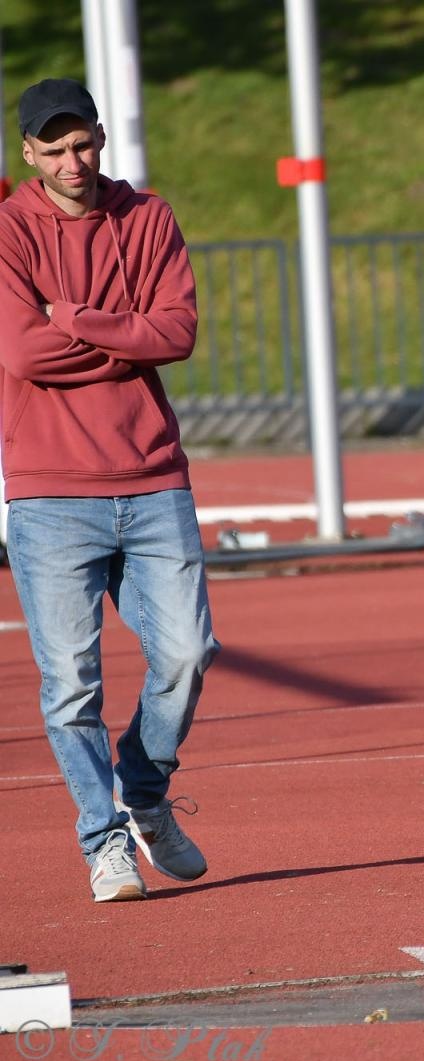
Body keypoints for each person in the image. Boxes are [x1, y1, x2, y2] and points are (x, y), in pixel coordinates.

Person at [0, 78, 220, 902]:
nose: (72, 160)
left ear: (99, 136)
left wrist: (77, 318)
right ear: (29, 153)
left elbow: (179, 332)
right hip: (51, 493)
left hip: (154, 476)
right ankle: (105, 841)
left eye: (82, 142)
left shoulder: (148, 216)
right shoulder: (10, 230)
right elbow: (23, 356)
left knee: (189, 655)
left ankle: (145, 791)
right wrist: (126, 336)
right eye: (53, 149)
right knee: (72, 686)